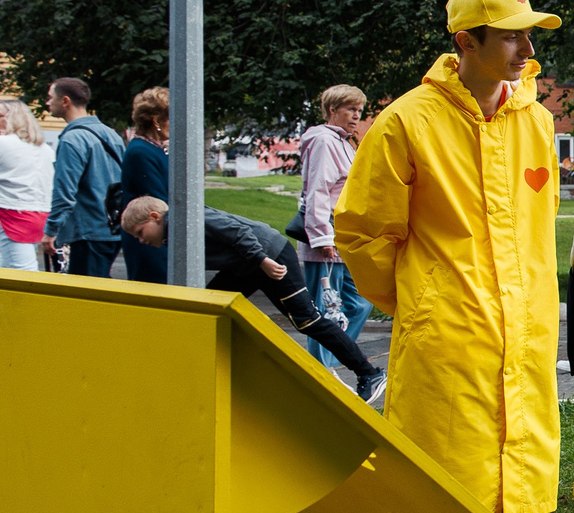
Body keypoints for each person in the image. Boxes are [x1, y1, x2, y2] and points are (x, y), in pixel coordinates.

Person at [337, 0, 566, 513]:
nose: (528, 50)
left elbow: (538, 221)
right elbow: (364, 232)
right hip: (450, 345)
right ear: (464, 42)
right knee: (451, 503)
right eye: (511, 36)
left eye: (531, 35)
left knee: (530, 500)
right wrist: (422, 302)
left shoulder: (533, 120)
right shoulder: (407, 123)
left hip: (521, 342)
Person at [121, 198, 384, 398]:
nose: (140, 241)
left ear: (155, 217)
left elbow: (237, 231)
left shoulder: (186, 218)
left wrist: (263, 261)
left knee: (307, 321)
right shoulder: (173, 232)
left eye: (140, 233)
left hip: (270, 255)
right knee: (210, 308)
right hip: (246, 265)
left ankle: (369, 373)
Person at [297, 85, 373, 366]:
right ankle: (320, 370)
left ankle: (331, 360)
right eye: (351, 110)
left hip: (344, 234)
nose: (356, 116)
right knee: (325, 311)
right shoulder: (324, 141)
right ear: (332, 110)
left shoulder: (343, 142)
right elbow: (318, 189)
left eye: (359, 111)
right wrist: (321, 237)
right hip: (326, 234)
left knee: (358, 303)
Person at [43, 77, 125, 278]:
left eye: (49, 97)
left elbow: (64, 191)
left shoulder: (72, 139)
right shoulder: (110, 134)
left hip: (88, 229)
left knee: (87, 297)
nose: (47, 103)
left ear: (65, 101)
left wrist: (51, 231)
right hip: (113, 227)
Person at [0, 97, 53, 271]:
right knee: (6, 269)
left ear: (13, 119)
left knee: (24, 271)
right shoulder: (42, 147)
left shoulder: (1, 143)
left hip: (13, 213)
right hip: (38, 212)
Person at [120, 87, 172, 284]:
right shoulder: (141, 152)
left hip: (157, 234)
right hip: (148, 237)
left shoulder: (152, 149)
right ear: (156, 120)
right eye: (170, 118)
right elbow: (157, 198)